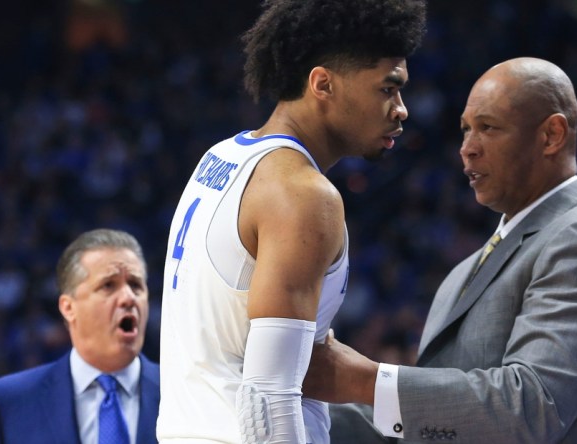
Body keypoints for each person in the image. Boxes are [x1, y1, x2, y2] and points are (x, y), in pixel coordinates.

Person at [303, 57, 577, 443]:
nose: (466, 149)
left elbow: (531, 408)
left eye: (487, 128)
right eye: (466, 130)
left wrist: (362, 379)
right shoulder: (464, 271)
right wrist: (291, 410)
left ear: (551, 135)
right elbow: (435, 426)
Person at [155, 1, 426, 443]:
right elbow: (268, 394)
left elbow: (262, 347)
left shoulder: (222, 156)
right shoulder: (303, 195)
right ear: (323, 84)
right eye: (386, 89)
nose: (401, 109)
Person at [0, 229, 160, 444]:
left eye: (135, 285)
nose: (128, 298)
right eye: (108, 285)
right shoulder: (5, 402)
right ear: (68, 308)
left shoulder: (189, 393)